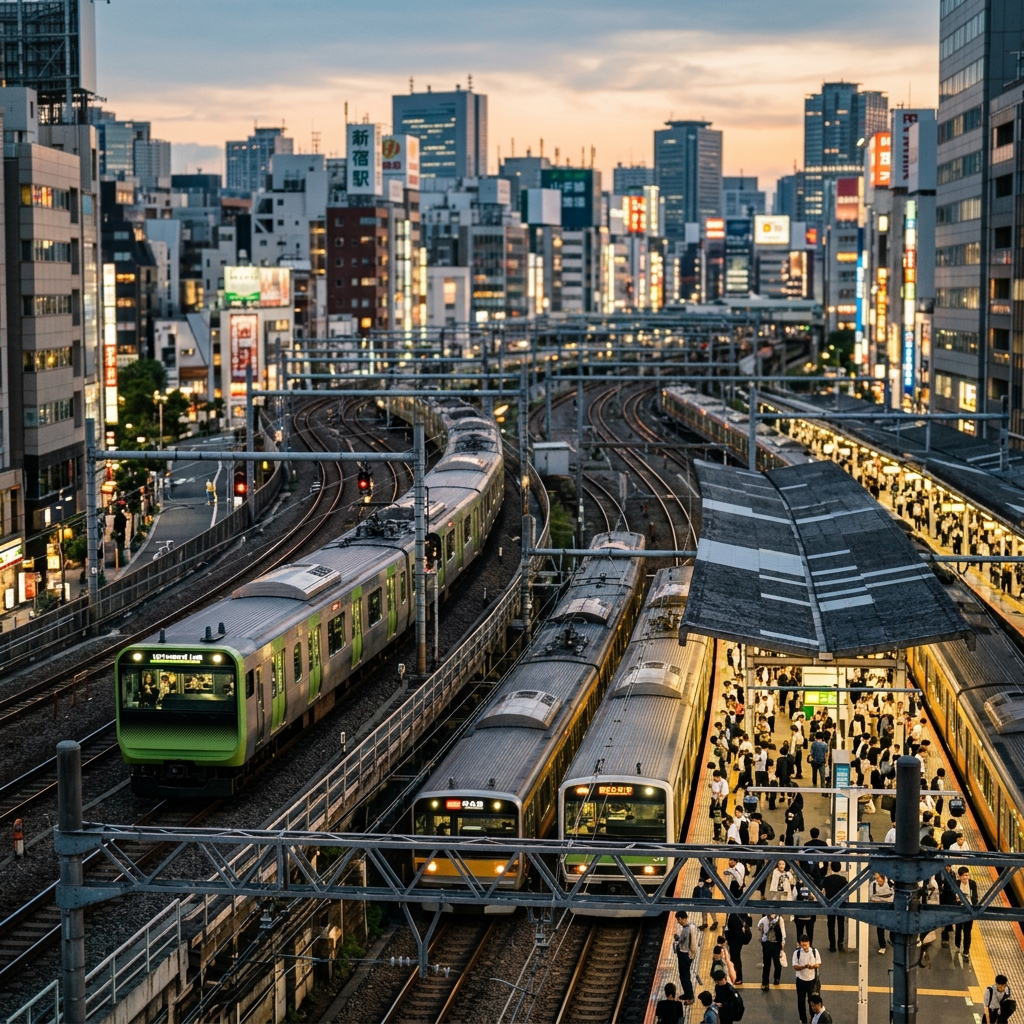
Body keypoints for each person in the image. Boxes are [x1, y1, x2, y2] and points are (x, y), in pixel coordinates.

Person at [724, 881, 752, 986]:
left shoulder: (730, 903)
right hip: (738, 937)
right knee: (735, 957)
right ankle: (737, 976)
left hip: (734, 937)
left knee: (735, 957)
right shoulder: (743, 903)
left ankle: (737, 977)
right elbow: (750, 922)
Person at [792, 936, 822, 1024]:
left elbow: (818, 964)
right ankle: (803, 1019)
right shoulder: (797, 953)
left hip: (811, 980)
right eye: (803, 942)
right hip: (800, 980)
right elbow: (795, 967)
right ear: (800, 943)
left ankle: (813, 1018)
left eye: (806, 942)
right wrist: (804, 967)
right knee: (801, 1001)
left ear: (809, 942)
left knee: (811, 1000)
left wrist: (812, 966)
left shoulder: (814, 951)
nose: (804, 944)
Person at [757, 911, 786, 989]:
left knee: (777, 963)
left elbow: (782, 931)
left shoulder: (780, 920)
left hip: (775, 944)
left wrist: (783, 942)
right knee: (767, 964)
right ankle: (765, 982)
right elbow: (759, 926)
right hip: (768, 943)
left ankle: (776, 978)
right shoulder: (764, 919)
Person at [822, 862, 846, 952]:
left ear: (831, 868)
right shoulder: (843, 879)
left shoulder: (827, 879)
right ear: (839, 868)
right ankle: (840, 944)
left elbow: (823, 890)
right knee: (841, 924)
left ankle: (832, 945)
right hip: (840, 904)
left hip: (830, 904)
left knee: (831, 924)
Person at [674, 911, 698, 1004]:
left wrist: (691, 956)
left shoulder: (689, 929)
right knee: (684, 976)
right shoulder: (688, 927)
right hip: (684, 954)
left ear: (684, 918)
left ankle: (690, 997)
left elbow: (692, 944)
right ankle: (687, 993)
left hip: (685, 955)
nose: (678, 921)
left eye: (679, 919)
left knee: (685, 977)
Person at [869, 871, 894, 952]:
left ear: (883, 878)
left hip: (889, 908)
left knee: (892, 925)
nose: (877, 881)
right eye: (876, 878)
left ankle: (893, 940)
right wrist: (884, 899)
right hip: (879, 907)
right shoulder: (873, 885)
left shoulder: (890, 883)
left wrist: (880, 899)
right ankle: (882, 946)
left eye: (879, 879)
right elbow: (871, 897)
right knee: (880, 926)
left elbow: (893, 898)